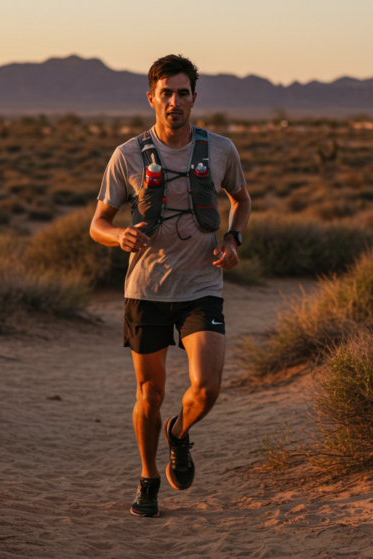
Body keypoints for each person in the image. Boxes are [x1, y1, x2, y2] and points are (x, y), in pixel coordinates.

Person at [89, 54, 251, 518]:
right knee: (150, 394)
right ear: (151, 98)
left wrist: (234, 238)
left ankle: (178, 433)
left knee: (207, 387)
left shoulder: (221, 150)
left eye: (183, 93)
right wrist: (117, 234)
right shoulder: (126, 156)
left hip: (203, 284)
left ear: (194, 98)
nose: (175, 101)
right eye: (167, 93)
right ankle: (148, 476)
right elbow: (97, 222)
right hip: (147, 291)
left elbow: (241, 199)